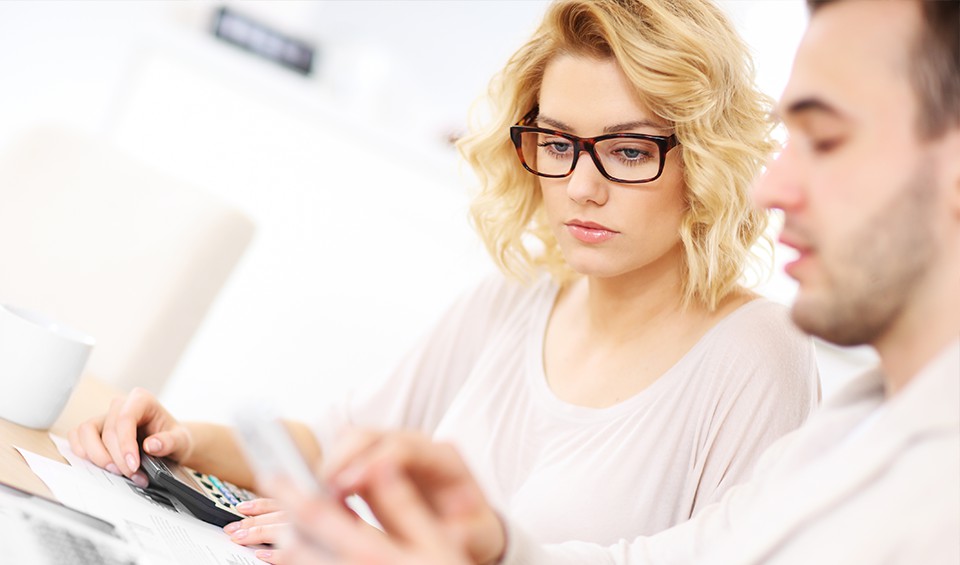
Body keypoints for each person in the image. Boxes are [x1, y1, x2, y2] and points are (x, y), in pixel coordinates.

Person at [68, 0, 820, 561]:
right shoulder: (518, 297)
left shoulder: (758, 354)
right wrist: (183, 440)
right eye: (557, 142)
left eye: (628, 152)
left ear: (706, 159)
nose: (580, 188)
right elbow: (328, 447)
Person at [264, 0, 960, 563]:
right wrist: (492, 545)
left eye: (828, 140)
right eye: (557, 143)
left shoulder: (782, 370)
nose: (770, 190)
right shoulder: (859, 422)